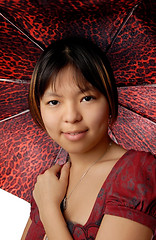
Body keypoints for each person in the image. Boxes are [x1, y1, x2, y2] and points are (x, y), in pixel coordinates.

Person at [21, 37, 156, 240]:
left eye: (87, 98)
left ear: (109, 100)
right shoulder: (49, 180)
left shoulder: (137, 172)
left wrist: (49, 209)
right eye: (54, 101)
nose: (71, 116)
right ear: (38, 108)